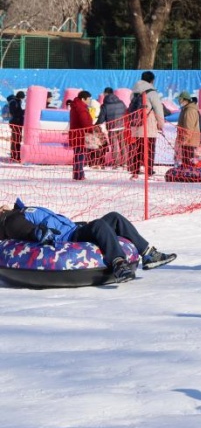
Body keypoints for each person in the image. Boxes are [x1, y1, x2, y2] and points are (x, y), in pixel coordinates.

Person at [0, 201, 176, 284]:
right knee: (99, 225)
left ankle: (149, 254)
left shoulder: (22, 209)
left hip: (74, 229)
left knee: (114, 217)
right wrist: (40, 234)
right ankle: (119, 264)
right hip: (67, 240)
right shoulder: (11, 218)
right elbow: (24, 230)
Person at [128, 71, 165, 179]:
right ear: (152, 80)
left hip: (136, 124)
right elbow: (158, 109)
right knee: (149, 148)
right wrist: (160, 124)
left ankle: (135, 170)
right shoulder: (152, 92)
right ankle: (148, 170)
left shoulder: (134, 92)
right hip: (149, 124)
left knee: (137, 148)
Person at [97, 87, 127, 167]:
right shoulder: (121, 102)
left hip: (111, 127)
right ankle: (125, 163)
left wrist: (97, 124)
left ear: (106, 93)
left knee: (114, 146)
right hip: (121, 126)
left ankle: (116, 164)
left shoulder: (105, 105)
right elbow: (126, 111)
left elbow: (101, 118)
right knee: (122, 144)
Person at [68, 90, 94, 181]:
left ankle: (77, 174)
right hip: (80, 134)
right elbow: (85, 122)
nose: (89, 101)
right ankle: (79, 174)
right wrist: (91, 129)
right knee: (80, 155)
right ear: (83, 99)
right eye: (89, 99)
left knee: (77, 154)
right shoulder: (81, 108)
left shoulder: (76, 106)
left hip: (76, 133)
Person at [174, 92, 201, 167]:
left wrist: (184, 140)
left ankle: (188, 177)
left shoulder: (190, 110)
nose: (179, 101)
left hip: (189, 141)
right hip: (187, 140)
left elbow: (189, 128)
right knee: (186, 161)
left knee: (188, 161)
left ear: (184, 99)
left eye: (180, 99)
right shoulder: (186, 109)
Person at [7, 90, 24, 162]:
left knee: (18, 139)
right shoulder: (13, 102)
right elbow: (15, 113)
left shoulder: (17, 101)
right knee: (15, 140)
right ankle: (14, 156)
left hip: (18, 123)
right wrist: (24, 111)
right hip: (15, 123)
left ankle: (16, 155)